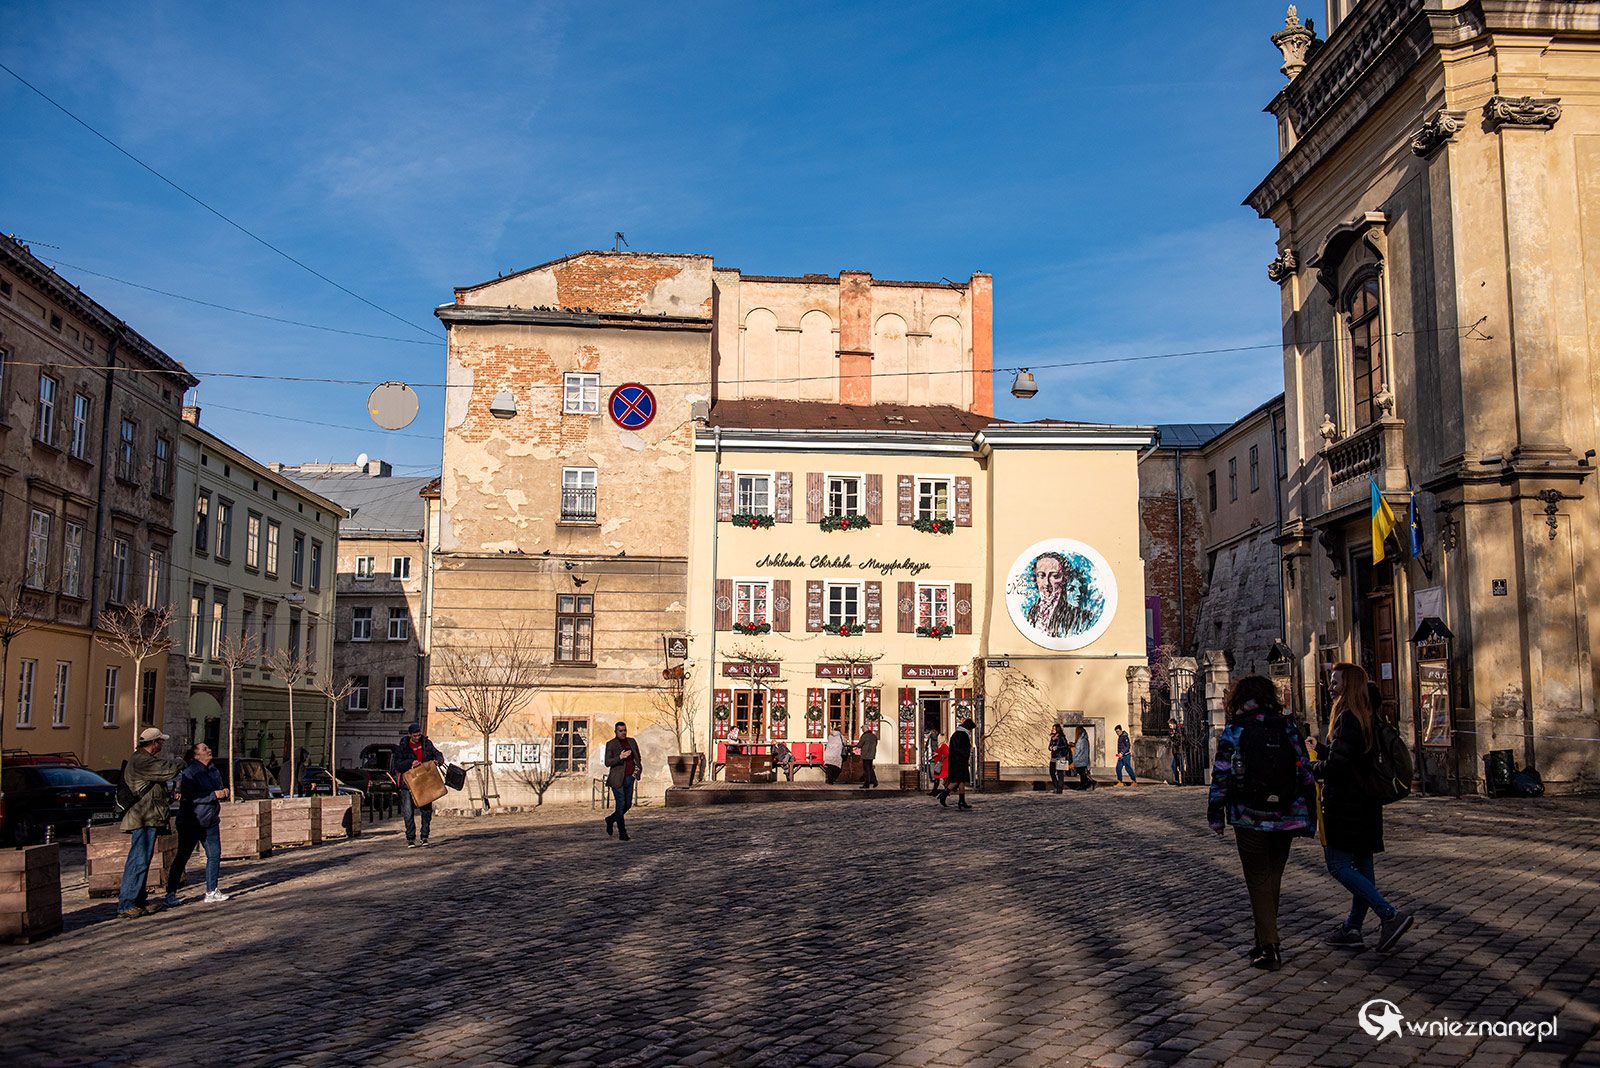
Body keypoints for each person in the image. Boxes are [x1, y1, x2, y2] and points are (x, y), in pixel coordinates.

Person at [1208, 675, 1318, 971]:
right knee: (1272, 878)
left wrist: (1216, 815)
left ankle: (1270, 947)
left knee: (1258, 879)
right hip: (1287, 813)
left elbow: (1221, 775)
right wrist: (1309, 816)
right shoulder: (1287, 726)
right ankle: (1262, 940)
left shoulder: (1236, 729)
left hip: (1249, 814)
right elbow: (1305, 772)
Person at [1311, 663, 1414, 953]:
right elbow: (1352, 757)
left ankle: (1389, 914)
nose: (1330, 688)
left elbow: (1339, 767)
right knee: (1363, 869)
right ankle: (1353, 928)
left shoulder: (1347, 717)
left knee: (1339, 866)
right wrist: (1322, 748)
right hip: (1367, 802)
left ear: (1349, 686)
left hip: (1346, 804)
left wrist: (1311, 766)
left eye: (1335, 682)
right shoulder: (1367, 715)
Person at [117, 728, 186, 919]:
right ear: (154, 743)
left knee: (143, 860)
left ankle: (138, 901)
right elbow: (167, 770)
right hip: (142, 817)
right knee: (137, 861)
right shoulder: (141, 761)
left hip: (148, 816)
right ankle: (127, 903)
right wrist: (181, 762)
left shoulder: (144, 759)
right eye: (160, 741)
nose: (162, 744)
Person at [164, 743, 231, 906]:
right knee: (183, 857)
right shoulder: (190, 773)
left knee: (214, 855)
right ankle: (170, 892)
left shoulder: (213, 770)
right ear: (196, 756)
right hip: (191, 822)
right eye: (204, 749)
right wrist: (213, 795)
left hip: (210, 820)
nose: (209, 750)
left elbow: (217, 789)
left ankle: (211, 891)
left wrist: (224, 792)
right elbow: (188, 797)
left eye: (208, 748)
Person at [392, 722, 445, 848]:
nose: (417, 737)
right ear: (409, 735)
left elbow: (437, 753)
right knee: (408, 811)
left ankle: (424, 836)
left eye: (419, 735)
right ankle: (410, 838)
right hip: (408, 784)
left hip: (425, 782)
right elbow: (397, 765)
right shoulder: (402, 748)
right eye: (415, 735)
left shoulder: (427, 744)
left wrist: (438, 760)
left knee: (426, 811)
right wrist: (410, 763)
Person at [603, 721, 643, 841]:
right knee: (620, 805)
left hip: (630, 777)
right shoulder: (611, 744)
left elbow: (638, 757)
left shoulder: (631, 741)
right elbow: (607, 762)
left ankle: (610, 819)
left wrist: (636, 772)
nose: (623, 733)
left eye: (625, 730)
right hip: (617, 779)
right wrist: (620, 757)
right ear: (615, 732)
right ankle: (622, 833)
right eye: (620, 731)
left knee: (627, 804)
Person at [937, 718, 974, 809]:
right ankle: (944, 794)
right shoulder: (962, 735)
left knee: (961, 781)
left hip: (956, 760)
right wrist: (966, 756)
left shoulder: (956, 734)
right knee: (957, 780)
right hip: (959, 761)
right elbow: (962, 749)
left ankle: (961, 800)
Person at [1070, 726, 1096, 790]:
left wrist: (1074, 758)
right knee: (1083, 773)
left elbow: (1078, 750)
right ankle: (1086, 783)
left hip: (1080, 759)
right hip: (1084, 758)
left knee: (1082, 773)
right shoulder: (1085, 739)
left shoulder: (1080, 740)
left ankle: (1085, 784)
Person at [1048, 724, 1072, 794]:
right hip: (1053, 757)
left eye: (1054, 729)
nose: (1053, 730)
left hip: (1060, 756)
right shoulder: (1052, 738)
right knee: (1052, 772)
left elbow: (1065, 745)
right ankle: (1056, 786)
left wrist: (1057, 747)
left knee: (1060, 773)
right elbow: (1049, 746)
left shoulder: (1061, 737)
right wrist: (1050, 748)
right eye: (1052, 729)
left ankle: (1060, 788)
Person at [858, 722, 879, 789]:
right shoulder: (874, 736)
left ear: (864, 730)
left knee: (866, 769)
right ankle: (874, 781)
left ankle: (867, 784)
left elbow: (860, 745)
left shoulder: (864, 736)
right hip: (872, 754)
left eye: (862, 730)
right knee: (870, 768)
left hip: (865, 754)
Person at [926, 731, 947, 796]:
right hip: (938, 763)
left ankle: (946, 791)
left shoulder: (943, 746)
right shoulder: (940, 746)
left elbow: (946, 754)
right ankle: (936, 791)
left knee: (940, 778)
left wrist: (937, 754)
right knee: (938, 778)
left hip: (940, 764)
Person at [1168, 718, 1185, 785]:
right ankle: (1177, 779)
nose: (1170, 727)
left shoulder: (1179, 730)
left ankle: (1182, 780)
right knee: (1174, 766)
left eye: (1170, 725)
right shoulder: (1173, 731)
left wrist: (1174, 737)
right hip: (1175, 751)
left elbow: (1181, 740)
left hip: (1179, 751)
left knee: (1180, 766)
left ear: (1174, 724)